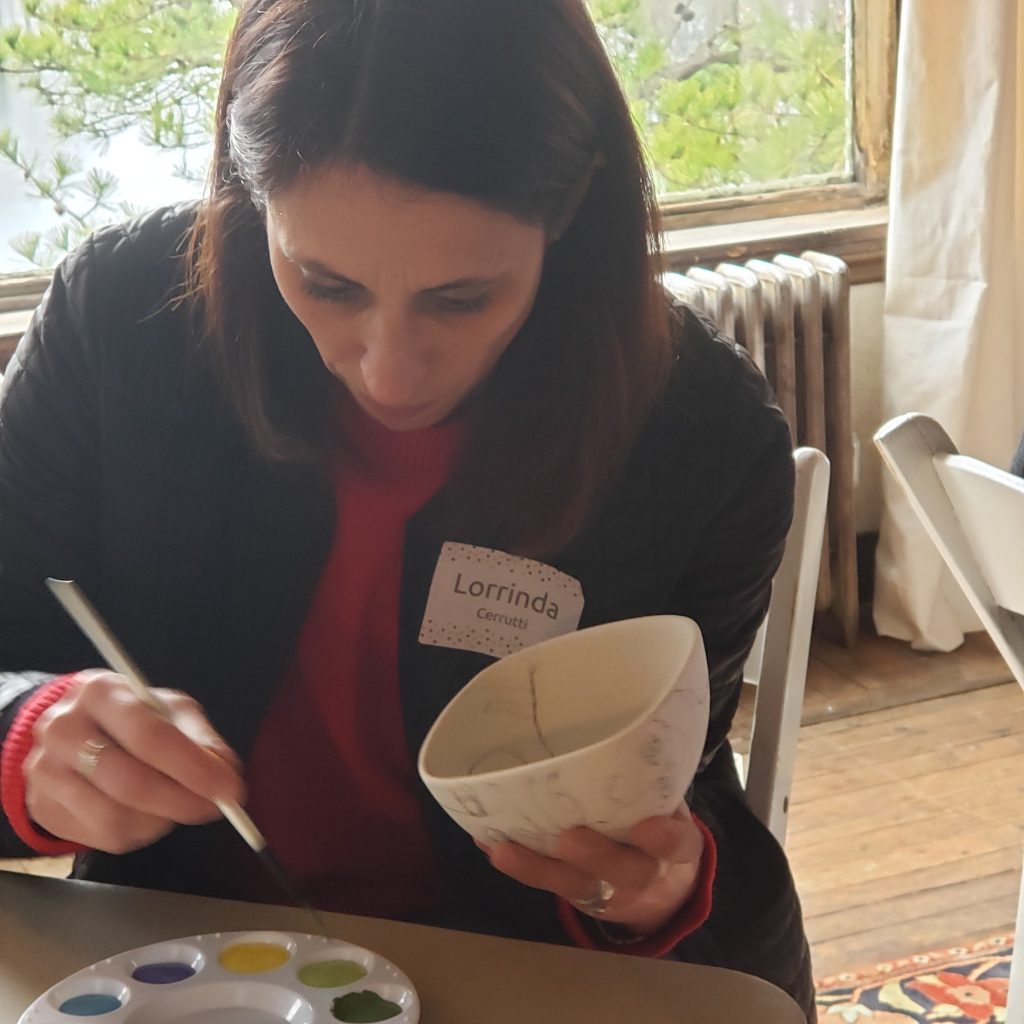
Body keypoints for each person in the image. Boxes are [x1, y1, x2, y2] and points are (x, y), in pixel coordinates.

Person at [0, 0, 812, 1017]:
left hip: (513, 968)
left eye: (461, 298)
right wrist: (29, 741)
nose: (387, 372)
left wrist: (647, 886)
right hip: (180, 961)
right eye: (325, 284)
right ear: (251, 199)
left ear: (569, 206)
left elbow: (675, 790)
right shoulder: (120, 324)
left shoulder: (698, 435)